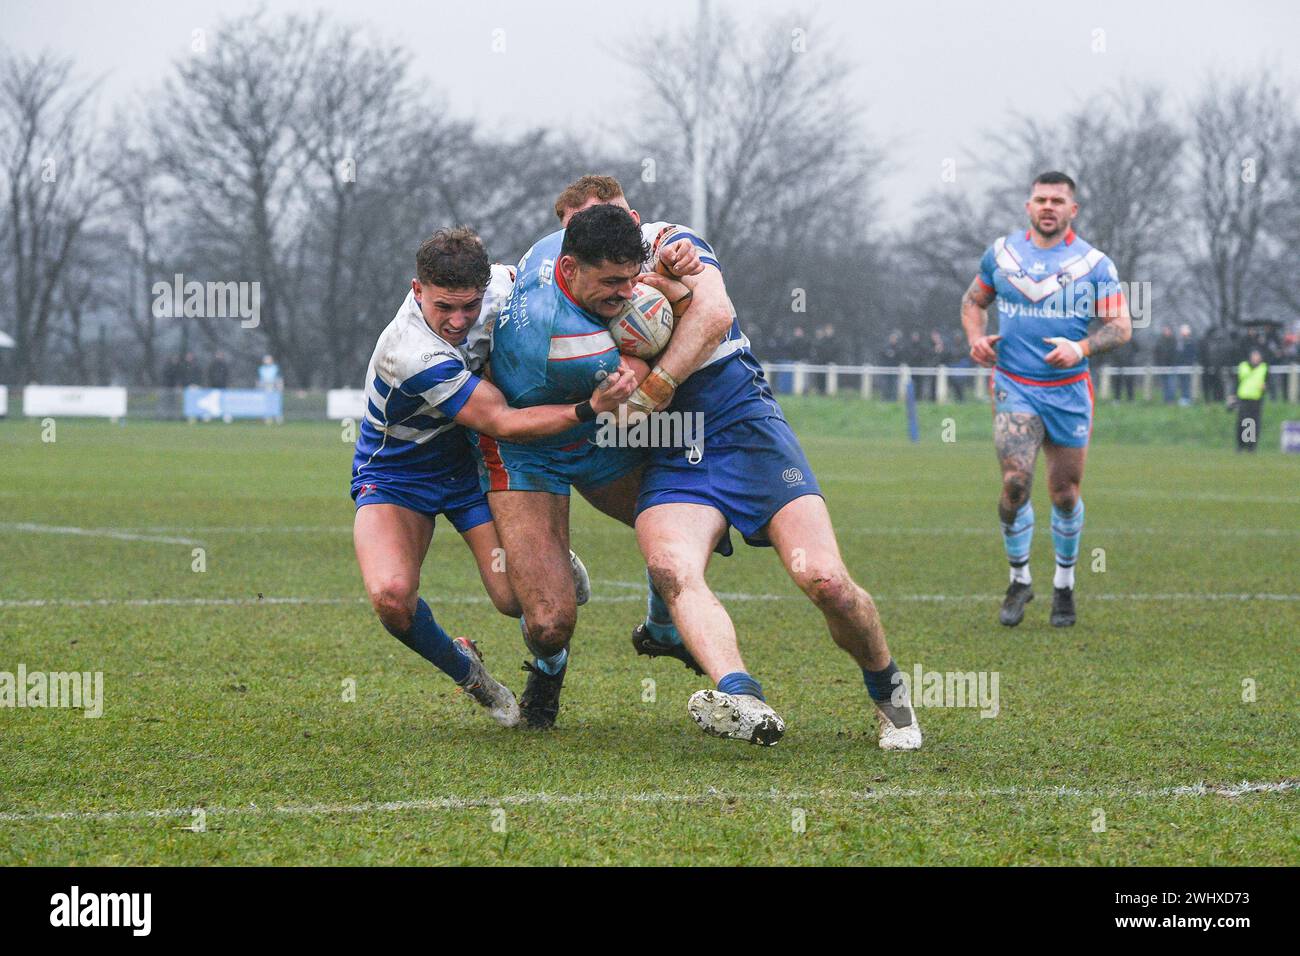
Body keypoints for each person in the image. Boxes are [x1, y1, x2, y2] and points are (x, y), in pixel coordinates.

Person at [552, 177, 922, 751]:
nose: (614, 240)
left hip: (745, 426)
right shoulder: (568, 295)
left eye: (618, 221)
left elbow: (716, 314)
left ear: (636, 215)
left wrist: (658, 376)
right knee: (672, 568)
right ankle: (742, 696)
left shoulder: (671, 241)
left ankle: (891, 696)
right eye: (589, 231)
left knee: (825, 582)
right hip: (674, 448)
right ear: (568, 247)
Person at [351, 227, 637, 727]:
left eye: (470, 306)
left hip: (470, 462)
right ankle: (472, 675)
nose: (459, 321)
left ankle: (549, 559)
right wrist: (590, 407)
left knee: (514, 601)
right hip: (399, 473)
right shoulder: (411, 352)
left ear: (486, 286)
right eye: (445, 307)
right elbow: (503, 420)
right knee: (393, 599)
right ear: (417, 290)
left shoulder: (505, 286)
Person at [961, 170, 1132, 629]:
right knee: (1015, 484)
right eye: (1041, 199)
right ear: (1028, 206)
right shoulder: (1002, 254)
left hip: (1069, 391)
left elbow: (1120, 326)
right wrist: (976, 339)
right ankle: (1019, 579)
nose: (1048, 206)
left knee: (1063, 493)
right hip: (1014, 384)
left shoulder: (1095, 263)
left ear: (1072, 210)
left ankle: (1064, 585)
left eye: (1058, 200)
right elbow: (973, 301)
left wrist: (1080, 348)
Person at [1234, 349, 1268, 452]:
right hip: (1244, 397)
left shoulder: (1263, 368)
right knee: (1243, 422)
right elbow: (1237, 381)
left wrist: (1265, 387)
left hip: (1256, 398)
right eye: (1254, 356)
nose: (1256, 359)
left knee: (1253, 423)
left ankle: (1251, 446)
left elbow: (1267, 381)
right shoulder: (1243, 366)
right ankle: (1241, 445)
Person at [1153, 327, 1177, 403]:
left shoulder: (1174, 341)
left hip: (1171, 366)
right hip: (1162, 366)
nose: (1166, 332)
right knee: (1164, 384)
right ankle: (1166, 399)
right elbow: (1156, 354)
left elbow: (1175, 354)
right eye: (1165, 330)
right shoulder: (1159, 342)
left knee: (1171, 384)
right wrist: (1159, 365)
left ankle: (1171, 399)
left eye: (1168, 330)